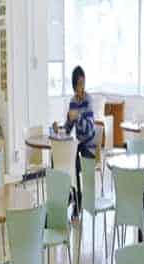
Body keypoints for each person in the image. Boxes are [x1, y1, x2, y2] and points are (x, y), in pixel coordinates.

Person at [54, 65, 95, 215]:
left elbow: (89, 128)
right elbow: (68, 127)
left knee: (75, 163)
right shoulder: (72, 101)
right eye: (78, 84)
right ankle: (69, 195)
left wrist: (78, 117)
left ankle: (77, 199)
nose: (81, 87)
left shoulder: (89, 100)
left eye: (83, 83)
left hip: (89, 146)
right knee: (60, 159)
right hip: (79, 144)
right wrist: (59, 128)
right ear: (73, 86)